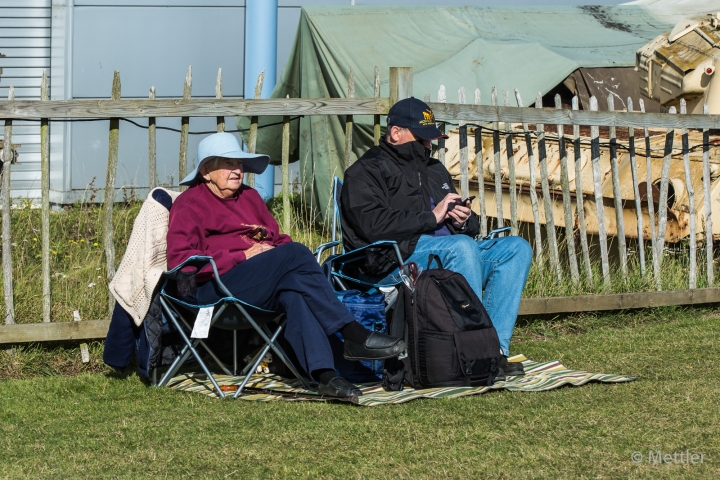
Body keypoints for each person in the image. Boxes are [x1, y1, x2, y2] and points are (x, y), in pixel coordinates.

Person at [166, 132, 405, 398]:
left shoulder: (250, 197)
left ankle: (326, 377)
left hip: (258, 287)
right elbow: (182, 264)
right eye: (228, 163)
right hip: (216, 291)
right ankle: (354, 334)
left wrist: (273, 254)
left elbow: (277, 239)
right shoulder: (190, 204)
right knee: (295, 254)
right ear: (206, 171)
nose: (237, 170)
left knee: (295, 291)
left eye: (240, 164)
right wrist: (243, 256)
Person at [340, 97, 532, 377]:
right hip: (392, 260)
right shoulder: (365, 171)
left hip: (451, 247)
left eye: (432, 140)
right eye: (422, 139)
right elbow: (372, 224)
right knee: (461, 248)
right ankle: (472, 354)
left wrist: (465, 219)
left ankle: (494, 351)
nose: (429, 146)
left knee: (516, 248)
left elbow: (464, 224)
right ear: (396, 133)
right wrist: (431, 217)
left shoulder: (434, 169)